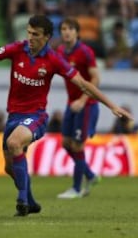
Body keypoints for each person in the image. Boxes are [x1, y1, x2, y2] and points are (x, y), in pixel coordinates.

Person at [0, 14, 133, 217]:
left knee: (14, 143)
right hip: (14, 116)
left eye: (35, 34)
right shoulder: (17, 49)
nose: (30, 37)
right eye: (28, 32)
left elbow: (83, 83)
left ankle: (22, 200)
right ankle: (31, 202)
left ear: (46, 37)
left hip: (36, 116)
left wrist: (111, 105)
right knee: (9, 168)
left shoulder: (54, 59)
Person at [56, 17, 101, 199]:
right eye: (63, 29)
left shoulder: (85, 52)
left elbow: (96, 79)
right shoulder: (59, 51)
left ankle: (76, 188)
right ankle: (90, 175)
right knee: (66, 144)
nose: (66, 32)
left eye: (70, 29)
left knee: (77, 145)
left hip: (87, 104)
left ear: (76, 32)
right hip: (71, 104)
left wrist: (83, 100)